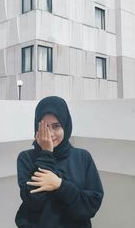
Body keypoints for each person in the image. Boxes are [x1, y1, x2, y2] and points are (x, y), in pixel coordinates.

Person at [15, 96, 104, 228]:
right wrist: (46, 153)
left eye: (56, 126)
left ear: (66, 126)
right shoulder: (26, 158)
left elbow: (90, 206)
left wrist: (60, 185)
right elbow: (34, 202)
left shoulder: (82, 157)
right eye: (45, 127)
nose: (50, 134)